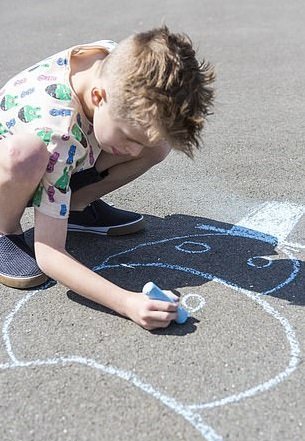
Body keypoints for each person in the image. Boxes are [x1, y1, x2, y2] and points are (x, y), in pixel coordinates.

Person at [0, 26, 215, 330]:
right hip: (17, 166)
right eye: (129, 137)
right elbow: (49, 253)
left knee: (159, 144)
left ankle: (75, 208)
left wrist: (139, 139)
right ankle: (4, 230)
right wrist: (126, 302)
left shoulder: (115, 66)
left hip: (69, 148)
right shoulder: (56, 135)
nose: (133, 151)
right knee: (25, 155)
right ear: (99, 96)